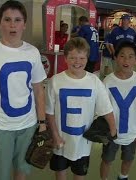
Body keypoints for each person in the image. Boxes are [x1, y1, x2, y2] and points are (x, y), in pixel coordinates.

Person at [0, 1, 47, 180]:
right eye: (7, 19)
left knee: (22, 169)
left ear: (24, 24)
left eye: (17, 20)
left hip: (27, 125)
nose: (12, 25)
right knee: (1, 174)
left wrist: (42, 122)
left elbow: (38, 90)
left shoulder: (33, 53)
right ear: (0, 22)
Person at [46, 37, 117, 180]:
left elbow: (106, 109)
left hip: (83, 143)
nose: (77, 62)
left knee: (80, 175)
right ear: (65, 58)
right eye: (72, 57)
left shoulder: (94, 82)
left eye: (81, 57)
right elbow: (50, 112)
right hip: (61, 139)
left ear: (87, 58)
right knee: (60, 173)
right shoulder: (55, 81)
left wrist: (113, 131)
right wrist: (54, 135)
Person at [100, 41, 136, 180]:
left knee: (128, 158)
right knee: (107, 160)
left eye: (131, 57)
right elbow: (103, 108)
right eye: (122, 56)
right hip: (112, 132)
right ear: (116, 58)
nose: (126, 60)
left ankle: (123, 176)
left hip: (132, 131)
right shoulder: (108, 81)